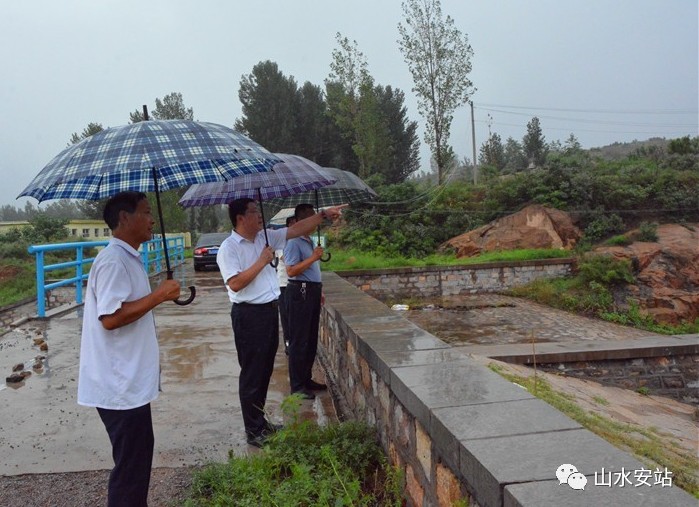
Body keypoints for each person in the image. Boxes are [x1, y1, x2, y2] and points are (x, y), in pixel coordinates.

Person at [77, 191, 181, 507]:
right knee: (130, 469)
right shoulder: (112, 261)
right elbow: (110, 318)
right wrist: (159, 296)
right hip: (118, 385)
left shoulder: (129, 257)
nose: (152, 220)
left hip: (128, 383)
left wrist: (159, 294)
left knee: (136, 462)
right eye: (146, 213)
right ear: (125, 218)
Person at [216, 198, 345, 447]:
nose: (259, 216)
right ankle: (253, 430)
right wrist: (261, 262)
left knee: (265, 370)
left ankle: (261, 422)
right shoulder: (229, 248)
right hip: (248, 315)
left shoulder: (266, 237)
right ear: (240, 218)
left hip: (268, 311)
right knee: (252, 373)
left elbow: (296, 229)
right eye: (254, 212)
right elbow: (235, 283)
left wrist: (323, 215)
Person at [284, 203, 329, 400]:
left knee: (310, 340)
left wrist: (319, 289)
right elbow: (291, 271)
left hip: (311, 291)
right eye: (312, 216)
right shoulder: (293, 241)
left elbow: (312, 271)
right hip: (300, 292)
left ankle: (306, 378)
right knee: (299, 340)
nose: (315, 220)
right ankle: (297, 385)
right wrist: (313, 258)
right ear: (302, 220)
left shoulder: (309, 240)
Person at [277, 215, 296, 355]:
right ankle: (288, 341)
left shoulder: (301, 241)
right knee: (286, 315)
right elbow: (286, 259)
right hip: (284, 283)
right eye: (293, 223)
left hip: (298, 283)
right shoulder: (281, 242)